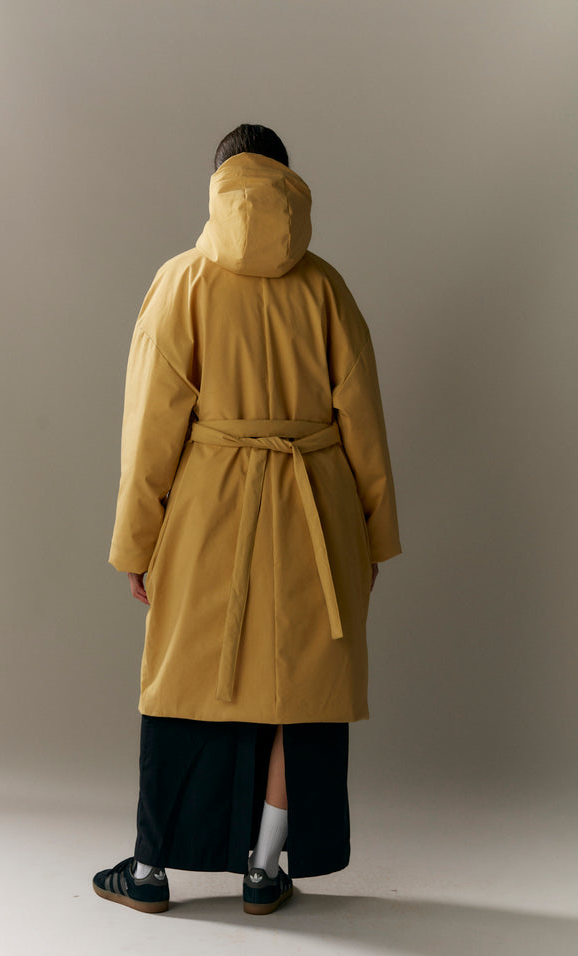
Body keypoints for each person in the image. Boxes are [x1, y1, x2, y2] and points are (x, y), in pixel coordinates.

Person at [92, 124, 402, 915]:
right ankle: (265, 870)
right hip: (315, 510)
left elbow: (150, 428)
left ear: (218, 183)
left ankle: (151, 870)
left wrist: (135, 541)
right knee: (299, 690)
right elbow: (363, 418)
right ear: (288, 186)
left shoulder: (181, 281)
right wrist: (372, 535)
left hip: (209, 509)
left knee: (185, 681)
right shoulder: (325, 287)